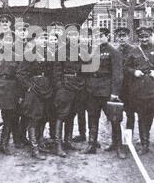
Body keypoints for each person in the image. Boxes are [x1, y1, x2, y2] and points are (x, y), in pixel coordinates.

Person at [125, 26, 154, 156]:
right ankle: (145, 145)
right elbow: (126, 67)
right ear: (139, 37)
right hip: (140, 91)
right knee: (143, 119)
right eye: (141, 37)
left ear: (151, 36)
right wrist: (134, 72)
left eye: (146, 36)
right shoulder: (134, 51)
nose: (144, 39)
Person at [82, 27, 123, 156]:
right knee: (92, 117)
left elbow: (118, 74)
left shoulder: (113, 52)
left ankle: (118, 146)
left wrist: (115, 93)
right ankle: (91, 144)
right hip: (92, 91)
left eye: (101, 36)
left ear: (107, 37)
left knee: (114, 119)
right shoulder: (91, 51)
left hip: (106, 91)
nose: (99, 38)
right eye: (97, 36)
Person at [17, 31, 56, 160]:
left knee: (43, 117)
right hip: (34, 91)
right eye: (41, 38)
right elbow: (20, 74)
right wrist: (29, 87)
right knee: (33, 118)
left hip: (46, 90)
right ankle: (34, 148)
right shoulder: (29, 54)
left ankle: (39, 142)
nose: (43, 41)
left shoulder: (48, 54)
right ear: (35, 40)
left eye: (45, 39)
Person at [53, 23, 86, 157]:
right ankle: (58, 144)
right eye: (70, 34)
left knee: (72, 114)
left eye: (75, 34)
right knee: (61, 115)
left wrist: (82, 84)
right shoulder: (61, 51)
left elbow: (85, 69)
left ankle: (67, 141)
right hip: (65, 87)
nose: (73, 36)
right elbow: (56, 72)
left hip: (77, 87)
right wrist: (60, 86)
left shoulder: (82, 50)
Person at [114, 27, 136, 135]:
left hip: (130, 87)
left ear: (128, 37)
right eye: (119, 36)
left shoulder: (134, 51)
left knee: (130, 113)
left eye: (124, 36)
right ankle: (116, 140)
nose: (121, 39)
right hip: (118, 88)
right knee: (116, 114)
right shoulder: (115, 51)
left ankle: (128, 138)